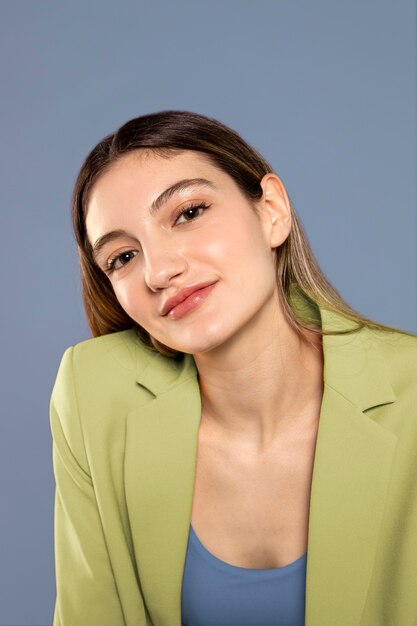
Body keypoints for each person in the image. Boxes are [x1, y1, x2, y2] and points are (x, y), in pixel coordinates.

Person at [49, 110, 417, 626]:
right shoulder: (94, 393)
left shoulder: (411, 396)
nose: (159, 271)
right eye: (122, 257)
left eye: (189, 212)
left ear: (272, 210)